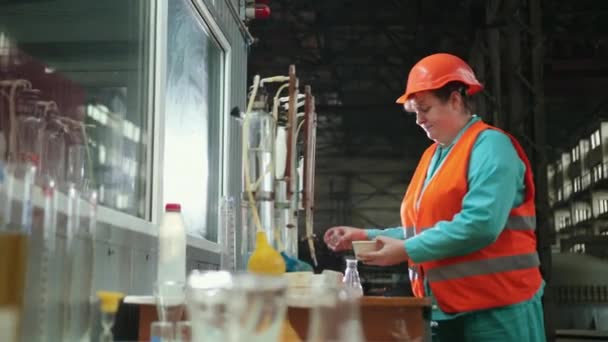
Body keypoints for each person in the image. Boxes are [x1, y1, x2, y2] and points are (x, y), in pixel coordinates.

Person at [324, 53, 546, 342]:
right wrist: (365, 235)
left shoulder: (492, 147)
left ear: (455, 100)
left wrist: (406, 251)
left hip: (499, 311)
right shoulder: (433, 157)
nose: (419, 120)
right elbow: (425, 230)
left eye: (425, 109)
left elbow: (480, 224)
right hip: (447, 310)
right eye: (415, 112)